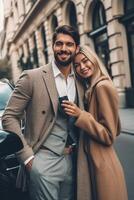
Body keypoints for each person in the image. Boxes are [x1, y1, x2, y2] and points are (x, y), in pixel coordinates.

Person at [2, 25, 84, 200]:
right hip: (43, 160)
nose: (64, 49)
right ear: (52, 46)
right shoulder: (32, 77)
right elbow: (9, 117)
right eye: (59, 44)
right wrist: (28, 158)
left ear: (76, 48)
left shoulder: (80, 79)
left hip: (73, 160)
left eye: (69, 44)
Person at [61, 45, 128, 200]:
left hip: (102, 165)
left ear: (93, 59)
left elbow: (109, 135)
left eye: (85, 61)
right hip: (96, 161)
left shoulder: (101, 87)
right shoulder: (92, 88)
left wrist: (81, 115)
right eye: (76, 65)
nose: (82, 67)